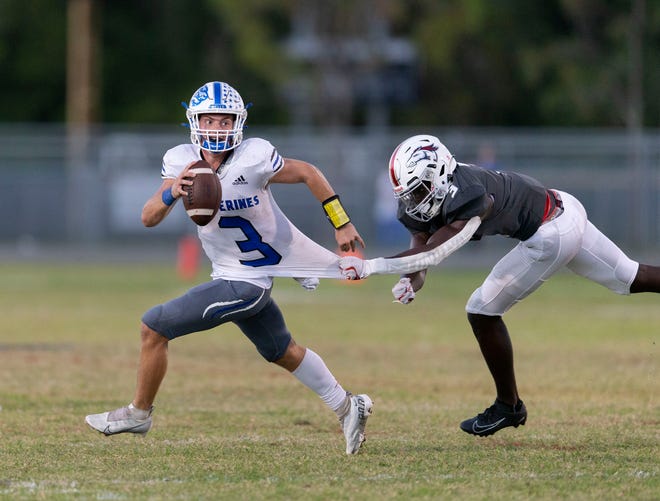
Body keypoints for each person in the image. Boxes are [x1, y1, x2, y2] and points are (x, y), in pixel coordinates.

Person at [85, 81, 373, 455]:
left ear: (239, 123)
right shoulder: (182, 161)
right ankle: (349, 407)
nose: (217, 128)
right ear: (195, 120)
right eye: (210, 119)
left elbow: (309, 173)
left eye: (225, 121)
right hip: (228, 274)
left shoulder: (255, 157)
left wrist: (341, 222)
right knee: (281, 350)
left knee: (153, 326)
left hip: (247, 283)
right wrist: (173, 191)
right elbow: (148, 217)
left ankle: (139, 413)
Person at [338, 134, 660, 437]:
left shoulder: (470, 195)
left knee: (481, 310)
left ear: (438, 175)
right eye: (409, 195)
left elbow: (435, 252)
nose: (415, 202)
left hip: (551, 234)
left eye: (419, 191)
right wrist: (410, 280)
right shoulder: (434, 197)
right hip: (563, 208)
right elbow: (422, 252)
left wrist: (370, 266)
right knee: (628, 276)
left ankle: (509, 406)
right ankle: (509, 405)